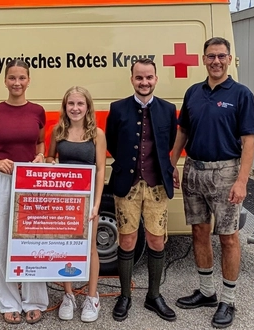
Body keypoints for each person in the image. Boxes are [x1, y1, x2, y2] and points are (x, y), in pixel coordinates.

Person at [170, 37, 254, 329]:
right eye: (211, 56)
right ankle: (207, 292)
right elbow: (183, 131)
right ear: (203, 59)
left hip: (226, 173)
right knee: (198, 231)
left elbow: (248, 142)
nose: (216, 61)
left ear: (230, 59)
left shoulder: (241, 94)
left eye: (221, 56)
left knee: (228, 237)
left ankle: (228, 300)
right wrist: (172, 164)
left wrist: (242, 181)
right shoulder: (193, 93)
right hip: (194, 170)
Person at [104, 58, 178, 322]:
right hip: (128, 185)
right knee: (126, 240)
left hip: (157, 185)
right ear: (132, 79)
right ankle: (124, 296)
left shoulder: (168, 109)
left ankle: (154, 296)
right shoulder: (118, 108)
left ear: (156, 79)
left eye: (149, 77)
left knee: (157, 239)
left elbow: (167, 143)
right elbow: (112, 142)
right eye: (139, 78)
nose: (144, 82)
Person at [0, 59, 49, 325]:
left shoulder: (38, 111)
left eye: (22, 77)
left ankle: (34, 301)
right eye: (12, 78)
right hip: (2, 179)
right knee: (1, 243)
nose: (17, 83)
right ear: (5, 80)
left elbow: (41, 141)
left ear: (29, 80)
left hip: (31, 180)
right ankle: (8, 302)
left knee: (32, 242)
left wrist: (42, 155)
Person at [45, 86, 106, 323]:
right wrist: (49, 162)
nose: (75, 108)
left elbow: (101, 170)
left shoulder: (97, 134)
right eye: (71, 104)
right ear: (65, 107)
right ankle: (68, 294)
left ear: (88, 107)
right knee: (65, 247)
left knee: (90, 247)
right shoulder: (57, 131)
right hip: (63, 199)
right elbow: (51, 157)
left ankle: (92, 296)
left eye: (80, 104)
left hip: (88, 198)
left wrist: (97, 203)